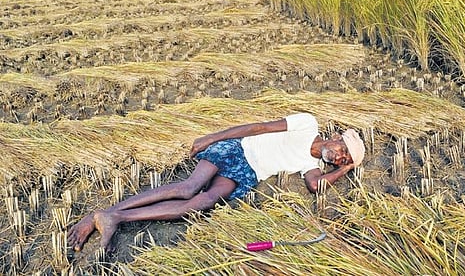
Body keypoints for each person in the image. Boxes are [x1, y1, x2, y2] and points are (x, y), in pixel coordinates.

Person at [67, 113, 365, 253]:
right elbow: (258, 127)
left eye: (342, 160)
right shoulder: (307, 123)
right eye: (343, 150)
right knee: (188, 188)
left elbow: (317, 186)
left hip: (248, 172)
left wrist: (347, 168)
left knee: (202, 203)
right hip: (238, 148)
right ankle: (108, 212)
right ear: (337, 137)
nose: (338, 157)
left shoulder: (311, 166)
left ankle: (113, 217)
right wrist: (213, 137)